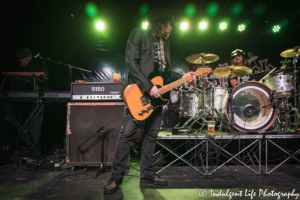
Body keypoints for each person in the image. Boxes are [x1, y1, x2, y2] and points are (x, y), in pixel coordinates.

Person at [104, 7, 195, 194]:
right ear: (161, 23)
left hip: (157, 96)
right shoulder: (139, 34)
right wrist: (147, 86)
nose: (171, 28)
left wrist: (185, 76)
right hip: (139, 93)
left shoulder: (166, 44)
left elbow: (164, 73)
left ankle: (146, 174)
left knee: (151, 136)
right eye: (169, 24)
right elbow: (131, 62)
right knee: (127, 134)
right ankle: (116, 177)